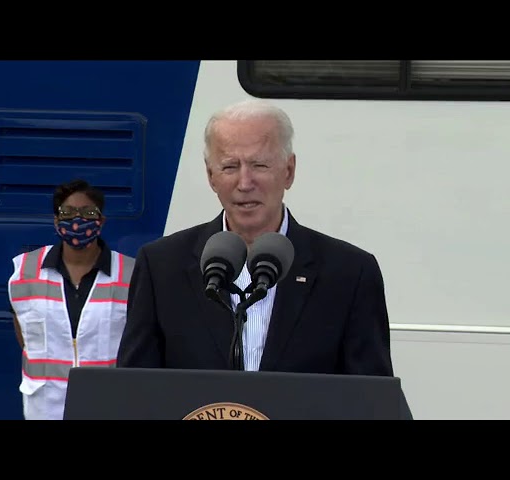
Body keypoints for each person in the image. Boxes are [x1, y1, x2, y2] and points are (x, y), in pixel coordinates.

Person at [116, 99, 394, 379]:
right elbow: (134, 390)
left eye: (259, 165)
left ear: (289, 170)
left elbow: (371, 398)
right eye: (229, 167)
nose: (245, 183)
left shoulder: (349, 272)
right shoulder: (162, 266)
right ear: (211, 176)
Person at [8, 179, 135, 420]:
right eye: (68, 213)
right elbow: (22, 328)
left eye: (88, 212)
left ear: (101, 221)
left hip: (108, 405)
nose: (78, 220)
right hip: (45, 408)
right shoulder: (25, 271)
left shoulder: (130, 273)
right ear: (56, 221)